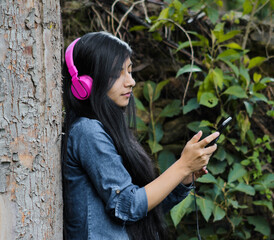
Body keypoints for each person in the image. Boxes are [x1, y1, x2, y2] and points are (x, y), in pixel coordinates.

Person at [61, 32, 219, 240]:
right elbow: (127, 206)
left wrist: (183, 178)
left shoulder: (103, 129)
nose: (131, 81)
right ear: (86, 83)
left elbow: (139, 210)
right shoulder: (87, 131)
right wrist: (182, 165)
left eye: (130, 71)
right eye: (118, 73)